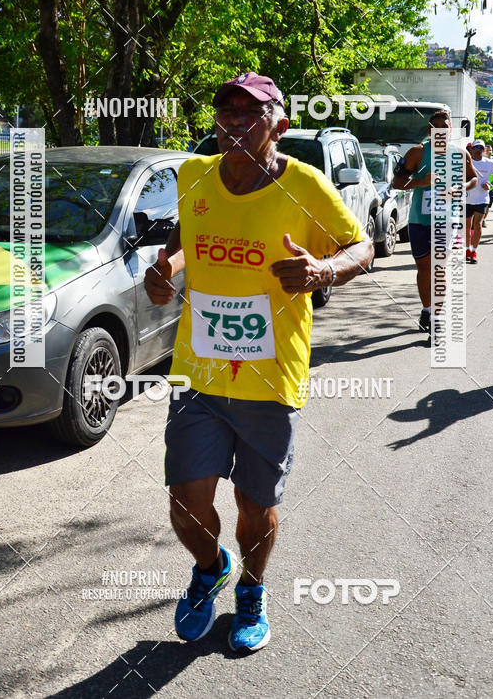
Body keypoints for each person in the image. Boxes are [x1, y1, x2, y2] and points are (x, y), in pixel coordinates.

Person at [144, 72, 373, 652]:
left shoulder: (307, 186)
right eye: (226, 110)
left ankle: (250, 588)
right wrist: (165, 271)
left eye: (252, 112)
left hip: (271, 379)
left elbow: (362, 246)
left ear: (280, 125)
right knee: (185, 504)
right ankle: (209, 567)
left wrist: (325, 271)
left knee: (256, 504)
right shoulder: (193, 174)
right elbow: (184, 233)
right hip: (198, 372)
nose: (236, 119)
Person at [392, 109, 477, 333]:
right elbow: (397, 183)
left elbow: (473, 178)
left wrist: (460, 188)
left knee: (438, 267)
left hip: (446, 220)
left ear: (450, 130)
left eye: (445, 127)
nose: (440, 130)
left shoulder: (459, 154)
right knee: (424, 267)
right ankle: (427, 310)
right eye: (436, 127)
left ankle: (437, 319)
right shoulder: (416, 153)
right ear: (430, 130)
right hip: (419, 220)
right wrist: (420, 182)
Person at [464, 140, 493, 263]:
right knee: (467, 226)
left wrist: (490, 185)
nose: (478, 149)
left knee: (477, 225)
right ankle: (467, 249)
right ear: (471, 149)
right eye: (476, 147)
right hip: (466, 199)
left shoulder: (489, 163)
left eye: (481, 148)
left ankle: (474, 251)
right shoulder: (466, 163)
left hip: (482, 199)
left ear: (484, 150)